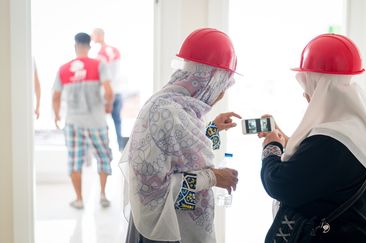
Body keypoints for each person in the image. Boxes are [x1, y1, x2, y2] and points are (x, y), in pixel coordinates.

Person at [259, 34, 366, 243]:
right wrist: (285, 139)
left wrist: (271, 147)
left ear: (322, 88)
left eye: (309, 88)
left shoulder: (332, 141)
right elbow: (319, 165)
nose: (305, 96)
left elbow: (281, 184)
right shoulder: (356, 127)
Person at [120, 28, 241, 243]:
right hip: (163, 231)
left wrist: (212, 129)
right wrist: (214, 177)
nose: (222, 94)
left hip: (175, 220)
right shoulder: (168, 114)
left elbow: (177, 157)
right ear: (210, 81)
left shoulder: (174, 105)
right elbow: (160, 190)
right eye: (222, 86)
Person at [52, 32, 114, 209]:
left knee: (74, 160)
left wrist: (56, 115)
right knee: (103, 158)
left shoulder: (64, 69)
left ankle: (79, 199)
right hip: (97, 122)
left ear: (75, 46)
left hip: (73, 123)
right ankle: (103, 195)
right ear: (89, 46)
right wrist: (108, 105)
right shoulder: (98, 65)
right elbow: (109, 91)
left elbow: (55, 96)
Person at [92, 28, 125, 151]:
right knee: (117, 121)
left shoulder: (100, 54)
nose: (92, 38)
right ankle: (121, 147)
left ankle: (104, 148)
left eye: (93, 35)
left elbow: (102, 76)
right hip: (118, 91)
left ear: (99, 35)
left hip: (106, 92)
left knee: (103, 122)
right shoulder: (115, 51)